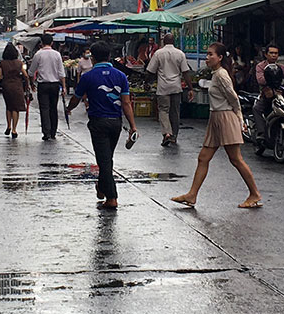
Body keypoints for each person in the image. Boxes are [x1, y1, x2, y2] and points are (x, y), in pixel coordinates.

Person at [171, 43, 263, 209]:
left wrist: (240, 119)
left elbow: (233, 98)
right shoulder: (216, 74)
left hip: (226, 117)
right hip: (215, 118)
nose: (207, 57)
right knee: (203, 158)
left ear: (220, 58)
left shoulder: (221, 75)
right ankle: (192, 195)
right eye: (206, 54)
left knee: (236, 159)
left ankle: (254, 193)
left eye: (210, 54)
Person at [66, 41, 138, 210]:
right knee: (107, 159)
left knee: (104, 161)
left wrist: (69, 108)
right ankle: (101, 187)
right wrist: (133, 126)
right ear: (109, 57)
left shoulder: (87, 77)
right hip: (116, 123)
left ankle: (111, 197)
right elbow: (126, 103)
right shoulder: (120, 76)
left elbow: (76, 98)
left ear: (93, 58)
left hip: (98, 122)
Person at [145, 33, 193, 146]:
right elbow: (185, 72)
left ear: (163, 42)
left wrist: (147, 82)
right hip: (176, 87)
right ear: (174, 42)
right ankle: (174, 136)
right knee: (175, 112)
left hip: (163, 88)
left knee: (163, 110)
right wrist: (190, 88)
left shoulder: (158, 53)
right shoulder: (180, 54)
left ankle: (167, 133)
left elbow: (150, 71)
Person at [28, 34, 67, 140]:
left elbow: (31, 72)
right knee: (53, 108)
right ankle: (53, 131)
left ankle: (47, 132)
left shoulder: (38, 54)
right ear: (52, 43)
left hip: (43, 85)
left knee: (44, 109)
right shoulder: (57, 54)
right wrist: (64, 87)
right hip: (55, 85)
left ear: (41, 43)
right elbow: (61, 73)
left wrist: (32, 84)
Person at [253, 43, 284, 140]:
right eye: (271, 53)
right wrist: (270, 79)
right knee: (256, 109)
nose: (274, 55)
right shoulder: (261, 66)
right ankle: (261, 133)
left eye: (276, 53)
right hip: (266, 94)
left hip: (280, 95)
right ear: (266, 54)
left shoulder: (282, 67)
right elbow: (260, 80)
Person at [0, 43, 29, 138]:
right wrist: (28, 85)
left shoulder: (2, 63)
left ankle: (8, 125)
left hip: (6, 86)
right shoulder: (19, 63)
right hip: (17, 86)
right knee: (16, 108)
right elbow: (25, 75)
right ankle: (14, 129)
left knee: (9, 107)